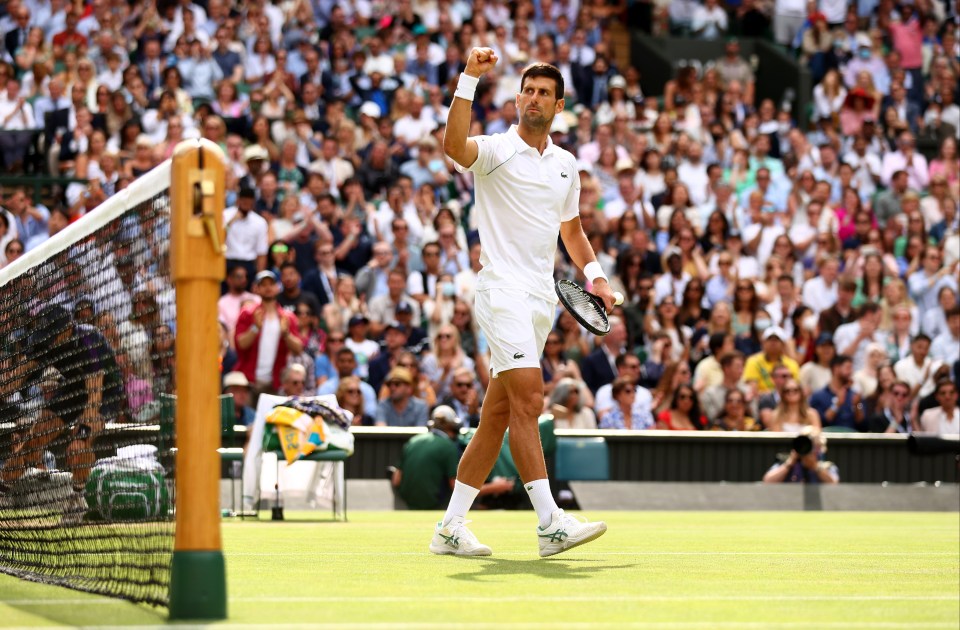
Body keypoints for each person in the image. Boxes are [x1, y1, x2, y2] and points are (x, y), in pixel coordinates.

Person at [431, 51, 610, 558]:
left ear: (557, 105)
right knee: (531, 402)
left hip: (540, 300)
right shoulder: (493, 149)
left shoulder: (566, 165)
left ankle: (449, 527)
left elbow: (571, 230)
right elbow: (452, 145)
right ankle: (550, 523)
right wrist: (469, 77)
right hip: (501, 293)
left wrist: (595, 278)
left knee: (498, 416)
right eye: (526, 91)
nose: (532, 98)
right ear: (517, 99)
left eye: (542, 93)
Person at [0, 304, 123, 523]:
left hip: (105, 393)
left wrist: (83, 429)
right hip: (73, 390)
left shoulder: (88, 340)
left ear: (66, 330)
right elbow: (15, 378)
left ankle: (78, 499)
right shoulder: (46, 341)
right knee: (30, 444)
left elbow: (94, 400)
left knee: (76, 448)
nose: (47, 340)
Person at [392, 406, 514, 510]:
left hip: (407, 506)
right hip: (433, 509)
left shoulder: (413, 441)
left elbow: (396, 480)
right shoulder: (448, 446)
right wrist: (494, 487)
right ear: (451, 427)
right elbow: (457, 489)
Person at [234, 270, 304, 399]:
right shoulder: (247, 314)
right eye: (263, 285)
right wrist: (255, 328)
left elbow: (298, 349)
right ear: (257, 288)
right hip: (248, 380)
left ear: (278, 287)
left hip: (275, 383)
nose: (268, 288)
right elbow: (240, 344)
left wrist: (286, 334)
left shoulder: (288, 317)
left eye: (271, 284)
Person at [810, 355, 866, 431]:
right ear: (836, 368)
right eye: (848, 368)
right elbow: (820, 422)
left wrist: (857, 406)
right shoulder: (818, 396)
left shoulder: (854, 395)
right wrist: (837, 404)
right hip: (828, 439)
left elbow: (862, 424)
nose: (851, 372)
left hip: (852, 440)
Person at [762, 428, 839, 483]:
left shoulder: (826, 467)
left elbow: (834, 483)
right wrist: (789, 464)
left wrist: (815, 467)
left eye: (815, 447)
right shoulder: (786, 462)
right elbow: (767, 481)